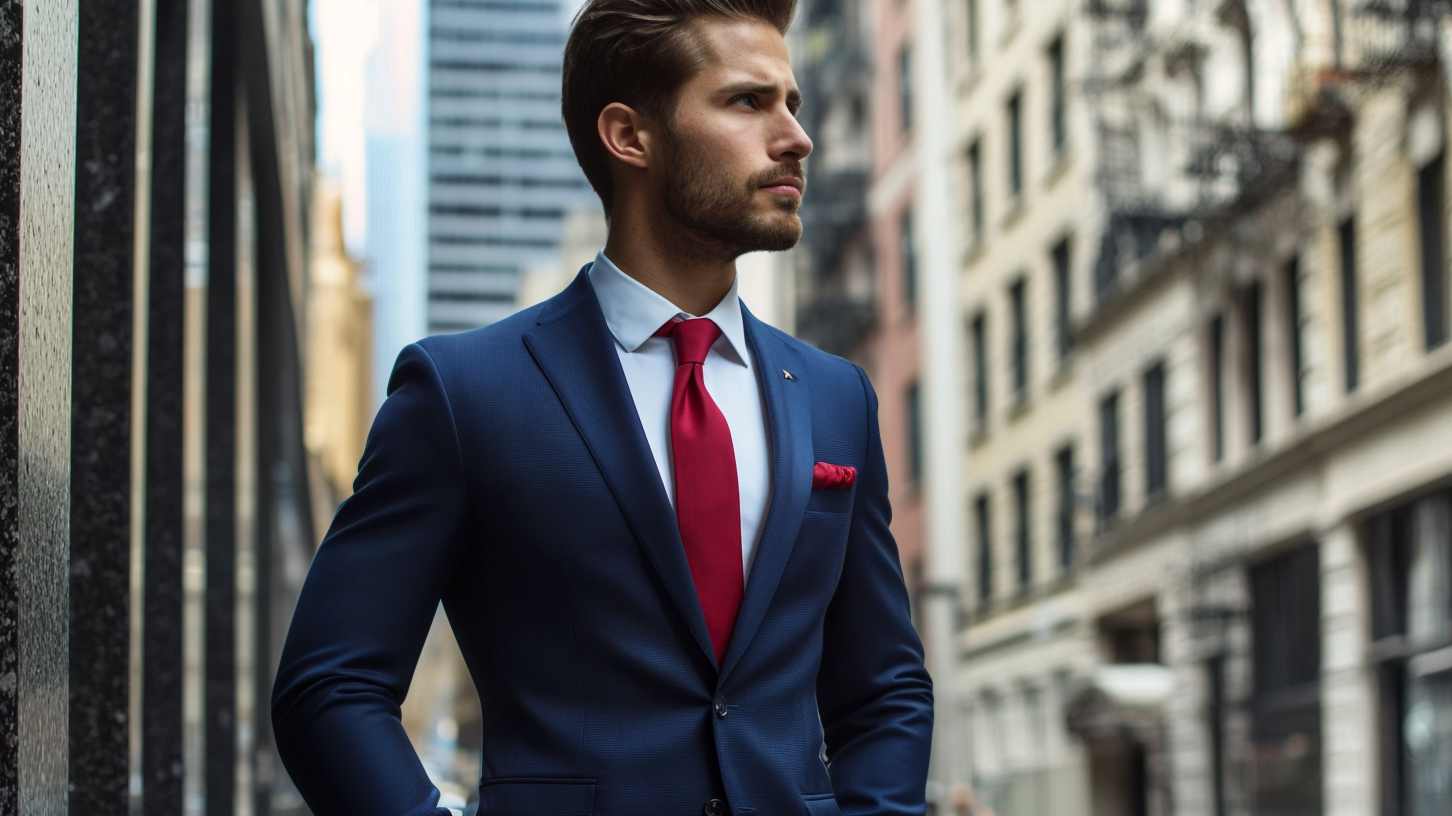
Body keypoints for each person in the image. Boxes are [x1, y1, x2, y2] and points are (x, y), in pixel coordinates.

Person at [270, 0, 933, 812]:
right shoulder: (463, 393)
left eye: (791, 103)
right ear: (630, 136)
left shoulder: (837, 398)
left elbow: (885, 691)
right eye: (748, 101)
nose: (796, 135)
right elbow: (329, 685)